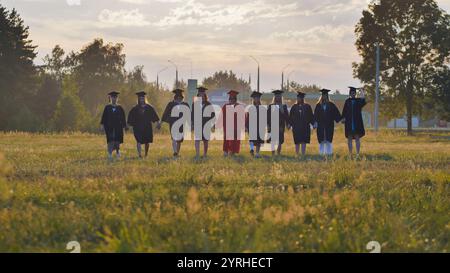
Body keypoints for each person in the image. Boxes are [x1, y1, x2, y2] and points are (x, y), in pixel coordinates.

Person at [127, 91, 161, 158]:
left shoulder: (149, 107)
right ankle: (139, 155)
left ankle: (146, 154)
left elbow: (155, 116)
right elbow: (130, 117)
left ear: (144, 98)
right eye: (140, 98)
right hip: (137, 127)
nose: (141, 100)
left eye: (143, 98)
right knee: (138, 140)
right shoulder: (135, 108)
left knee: (147, 141)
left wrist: (158, 123)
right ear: (138, 99)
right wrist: (127, 125)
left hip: (147, 127)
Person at [161, 89, 190, 157]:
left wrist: (190, 122)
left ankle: (177, 152)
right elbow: (166, 113)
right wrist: (161, 121)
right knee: (174, 138)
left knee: (179, 140)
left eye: (180, 98)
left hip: (181, 123)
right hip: (173, 122)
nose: (179, 99)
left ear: (182, 97)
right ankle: (175, 152)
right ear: (175, 97)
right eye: (177, 98)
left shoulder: (185, 104)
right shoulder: (171, 104)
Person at [313, 89, 342, 156]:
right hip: (320, 125)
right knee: (321, 140)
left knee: (328, 139)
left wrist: (340, 119)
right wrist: (315, 122)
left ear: (327, 96)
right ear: (322, 96)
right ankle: (321, 153)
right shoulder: (318, 105)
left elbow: (336, 113)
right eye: (323, 95)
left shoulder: (331, 105)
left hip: (329, 124)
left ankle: (329, 153)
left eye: (325, 95)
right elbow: (315, 115)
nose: (324, 96)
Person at [100, 91, 127, 160]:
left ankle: (118, 152)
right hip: (109, 127)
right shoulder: (107, 107)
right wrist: (102, 125)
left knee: (117, 140)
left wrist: (125, 126)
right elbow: (104, 117)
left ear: (117, 98)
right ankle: (109, 154)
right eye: (113, 97)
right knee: (110, 140)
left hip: (118, 127)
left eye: (115, 97)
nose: (114, 99)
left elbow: (123, 117)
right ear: (110, 98)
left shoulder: (120, 107)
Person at [341, 87, 367, 157]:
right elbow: (344, 111)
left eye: (354, 93)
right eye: (352, 93)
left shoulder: (358, 101)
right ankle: (350, 153)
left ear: (355, 93)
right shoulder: (347, 101)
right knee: (349, 138)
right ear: (350, 93)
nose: (353, 94)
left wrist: (362, 92)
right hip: (349, 122)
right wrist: (343, 118)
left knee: (357, 137)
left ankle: (358, 153)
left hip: (357, 122)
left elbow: (364, 101)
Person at [191, 86, 215, 158]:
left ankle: (205, 154)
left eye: (202, 95)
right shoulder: (194, 104)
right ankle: (197, 154)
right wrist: (192, 123)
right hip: (197, 124)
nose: (201, 96)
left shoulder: (208, 104)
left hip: (206, 124)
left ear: (205, 96)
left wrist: (212, 124)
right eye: (199, 95)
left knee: (205, 140)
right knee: (197, 139)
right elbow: (192, 114)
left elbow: (212, 114)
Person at [289, 92, 314, 156]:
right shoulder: (294, 107)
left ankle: (303, 154)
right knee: (297, 141)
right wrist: (289, 124)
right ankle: (297, 154)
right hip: (296, 126)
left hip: (305, 126)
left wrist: (313, 123)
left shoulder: (307, 106)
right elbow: (291, 117)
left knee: (303, 141)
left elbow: (311, 116)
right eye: (297, 98)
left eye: (300, 98)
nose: (298, 99)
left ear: (302, 98)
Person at [267, 90, 290, 156]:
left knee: (280, 140)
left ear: (281, 97)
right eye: (276, 96)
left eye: (279, 96)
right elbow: (268, 116)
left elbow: (287, 117)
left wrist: (288, 124)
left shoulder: (284, 106)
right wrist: (268, 125)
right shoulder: (271, 106)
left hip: (280, 125)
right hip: (272, 125)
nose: (278, 97)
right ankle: (273, 154)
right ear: (275, 97)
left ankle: (278, 153)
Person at [222, 90, 243, 156]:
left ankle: (232, 151)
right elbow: (221, 116)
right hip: (227, 125)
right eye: (230, 98)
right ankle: (225, 151)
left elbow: (242, 117)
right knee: (227, 139)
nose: (232, 100)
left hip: (236, 126)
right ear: (229, 99)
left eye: (233, 98)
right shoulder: (225, 106)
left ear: (235, 99)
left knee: (235, 139)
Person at [246, 91, 265, 158]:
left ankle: (257, 153)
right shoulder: (250, 108)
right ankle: (251, 149)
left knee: (259, 140)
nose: (256, 99)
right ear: (253, 99)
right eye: (255, 98)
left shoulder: (262, 108)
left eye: (257, 98)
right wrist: (246, 126)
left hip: (260, 126)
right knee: (251, 139)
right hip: (252, 126)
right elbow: (247, 118)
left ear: (259, 99)